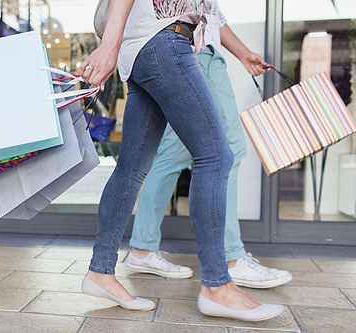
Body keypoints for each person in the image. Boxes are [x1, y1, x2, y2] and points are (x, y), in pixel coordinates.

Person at [77, 0, 285, 321]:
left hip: (146, 49)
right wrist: (107, 46)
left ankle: (100, 272)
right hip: (164, 42)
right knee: (215, 156)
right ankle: (217, 285)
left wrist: (242, 53)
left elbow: (209, 11)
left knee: (131, 169)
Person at [125, 6, 293, 290]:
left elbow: (212, 12)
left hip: (187, 48)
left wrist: (241, 52)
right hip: (192, 50)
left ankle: (142, 247)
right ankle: (230, 258)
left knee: (173, 152)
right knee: (226, 149)